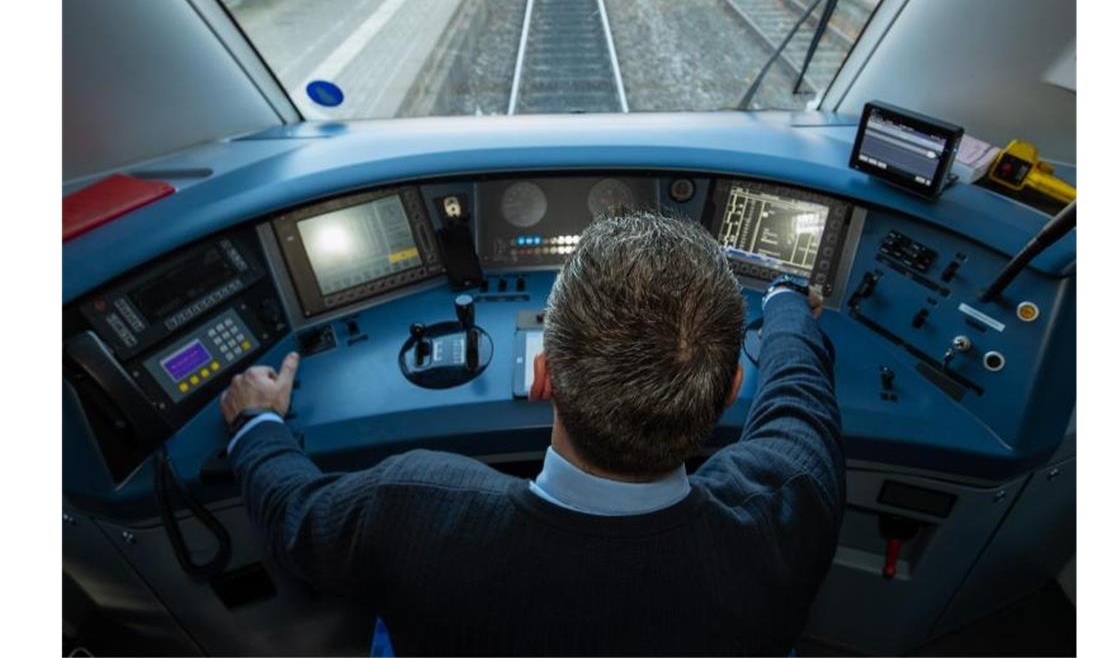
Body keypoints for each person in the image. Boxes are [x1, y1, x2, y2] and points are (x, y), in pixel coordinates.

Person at [222, 211, 844, 655]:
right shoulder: (789, 505)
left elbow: (295, 518)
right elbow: (799, 396)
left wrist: (257, 422)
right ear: (731, 389)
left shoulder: (410, 510)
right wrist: (786, 299)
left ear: (543, 374)